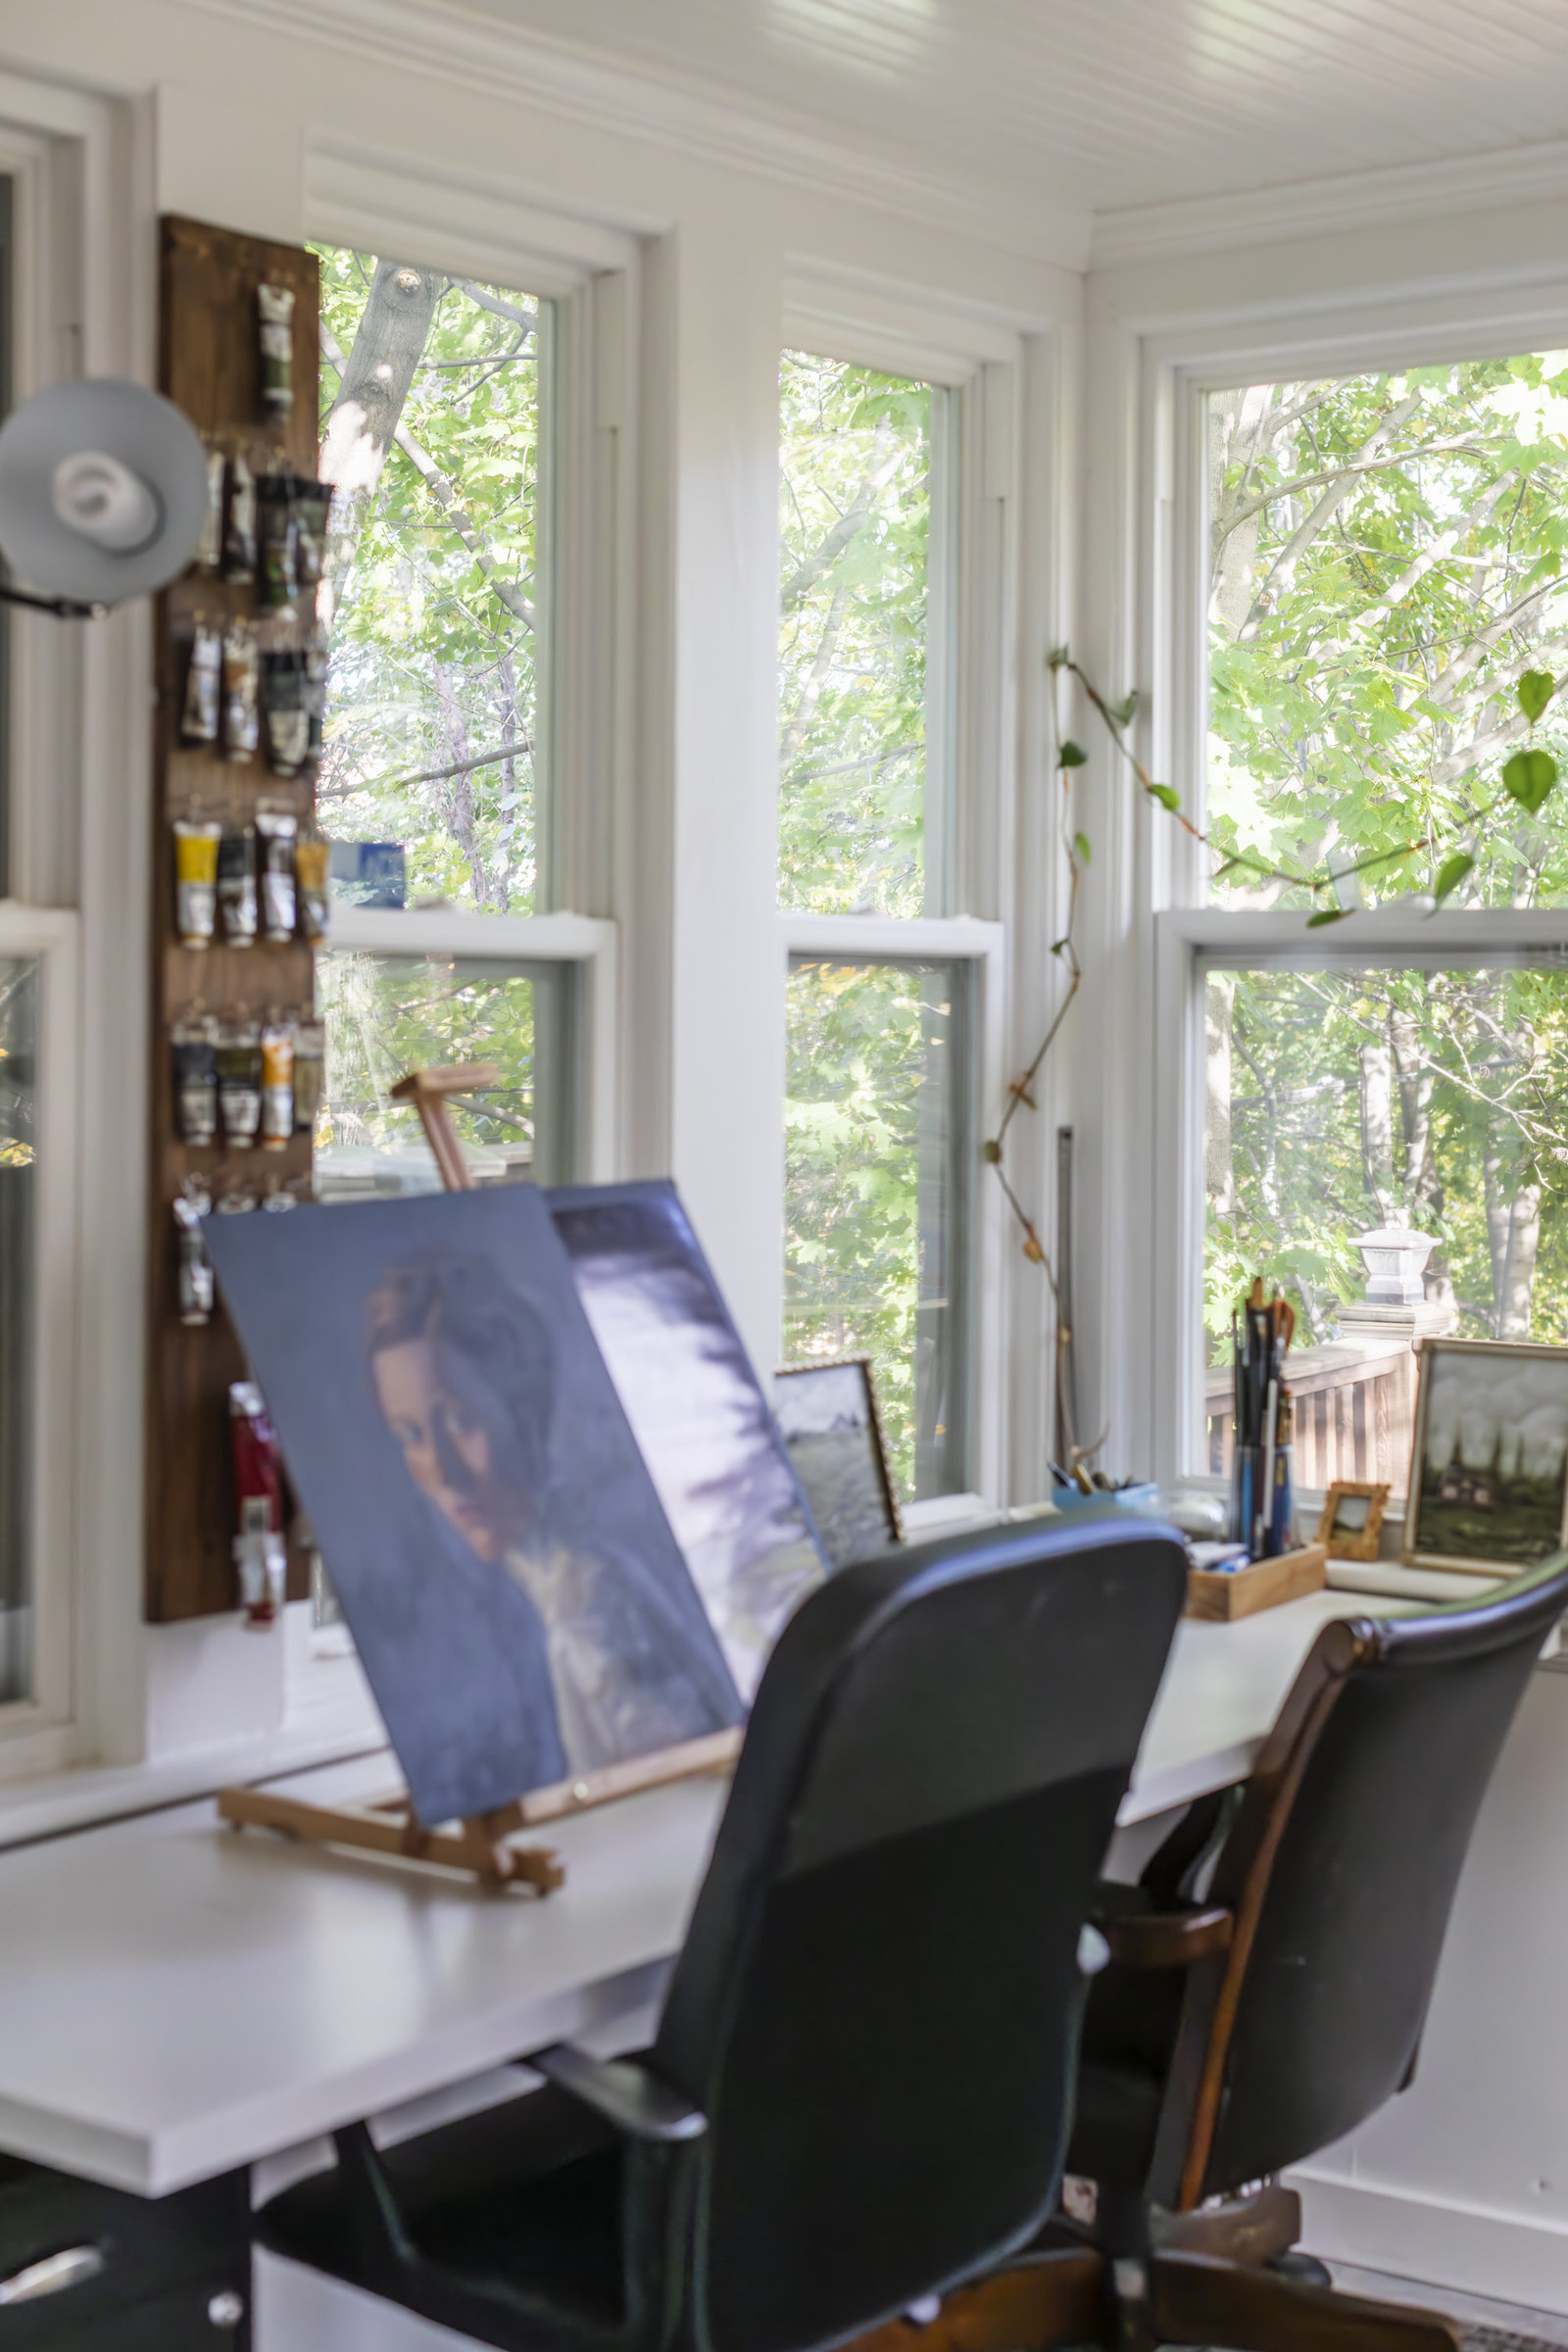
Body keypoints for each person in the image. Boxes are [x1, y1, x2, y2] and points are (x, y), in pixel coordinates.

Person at [366, 1250, 738, 1777]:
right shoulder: (503, 1597)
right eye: (411, 1435)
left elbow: (676, 1793)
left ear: (522, 1413)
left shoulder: (590, 1610)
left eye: (460, 1420)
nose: (443, 1472)